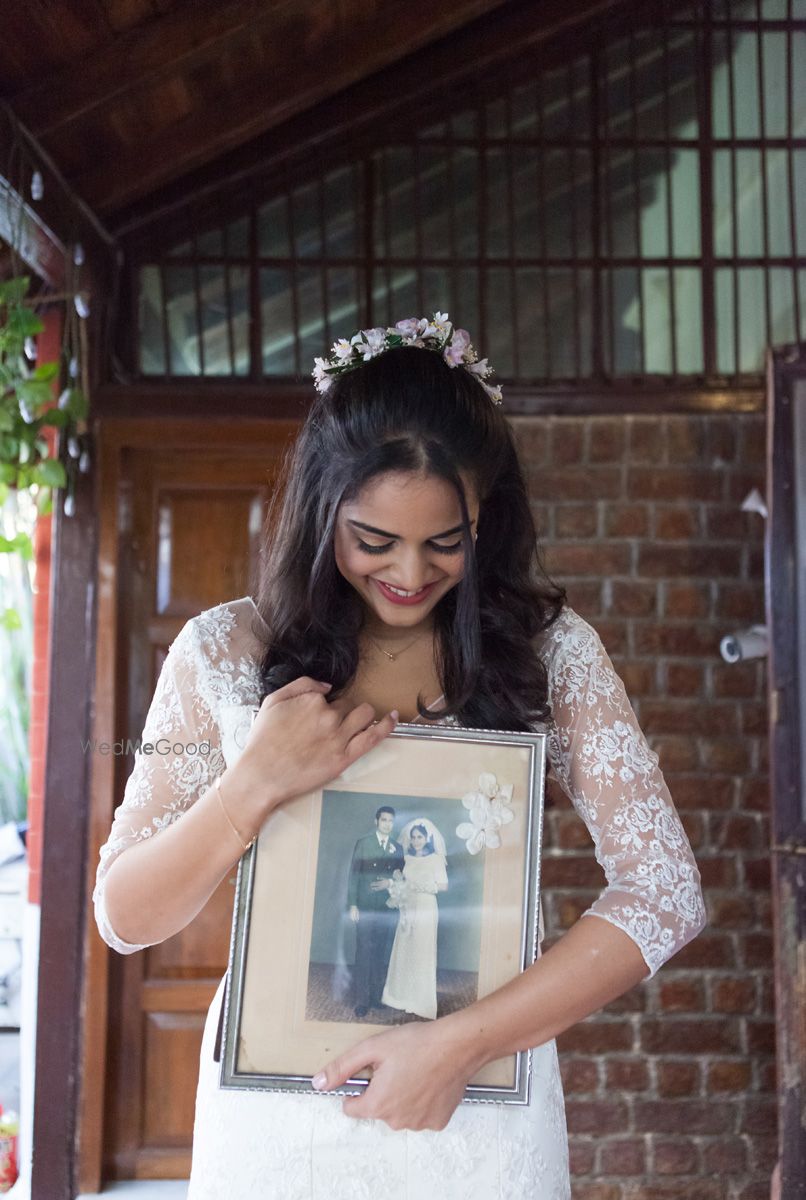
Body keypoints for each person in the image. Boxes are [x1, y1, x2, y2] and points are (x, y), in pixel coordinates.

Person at [94, 313, 706, 1199]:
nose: (410, 574)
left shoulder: (551, 652)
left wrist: (462, 1043)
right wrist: (252, 786)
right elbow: (125, 916)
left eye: (443, 542)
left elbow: (665, 891)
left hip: (479, 1107)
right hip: (279, 1114)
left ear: (484, 517)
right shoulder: (222, 651)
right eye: (373, 541)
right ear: (319, 509)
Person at [379, 819, 448, 1021]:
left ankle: (421, 1002)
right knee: (405, 950)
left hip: (426, 906)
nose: (416, 841)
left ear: (427, 838)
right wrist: (397, 883)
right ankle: (401, 997)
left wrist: (420, 886)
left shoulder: (436, 858)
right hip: (408, 907)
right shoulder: (408, 859)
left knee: (422, 950)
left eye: (420, 837)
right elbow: (404, 883)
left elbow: (443, 886)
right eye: (414, 837)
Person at [346, 806, 404, 1017]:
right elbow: (354, 875)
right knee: (364, 953)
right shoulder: (364, 844)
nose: (387, 824)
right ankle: (362, 1001)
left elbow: (401, 878)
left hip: (386, 908)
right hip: (365, 907)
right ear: (376, 822)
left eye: (390, 821)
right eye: (384, 820)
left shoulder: (397, 848)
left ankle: (375, 997)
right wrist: (353, 904)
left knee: (380, 953)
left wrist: (389, 882)